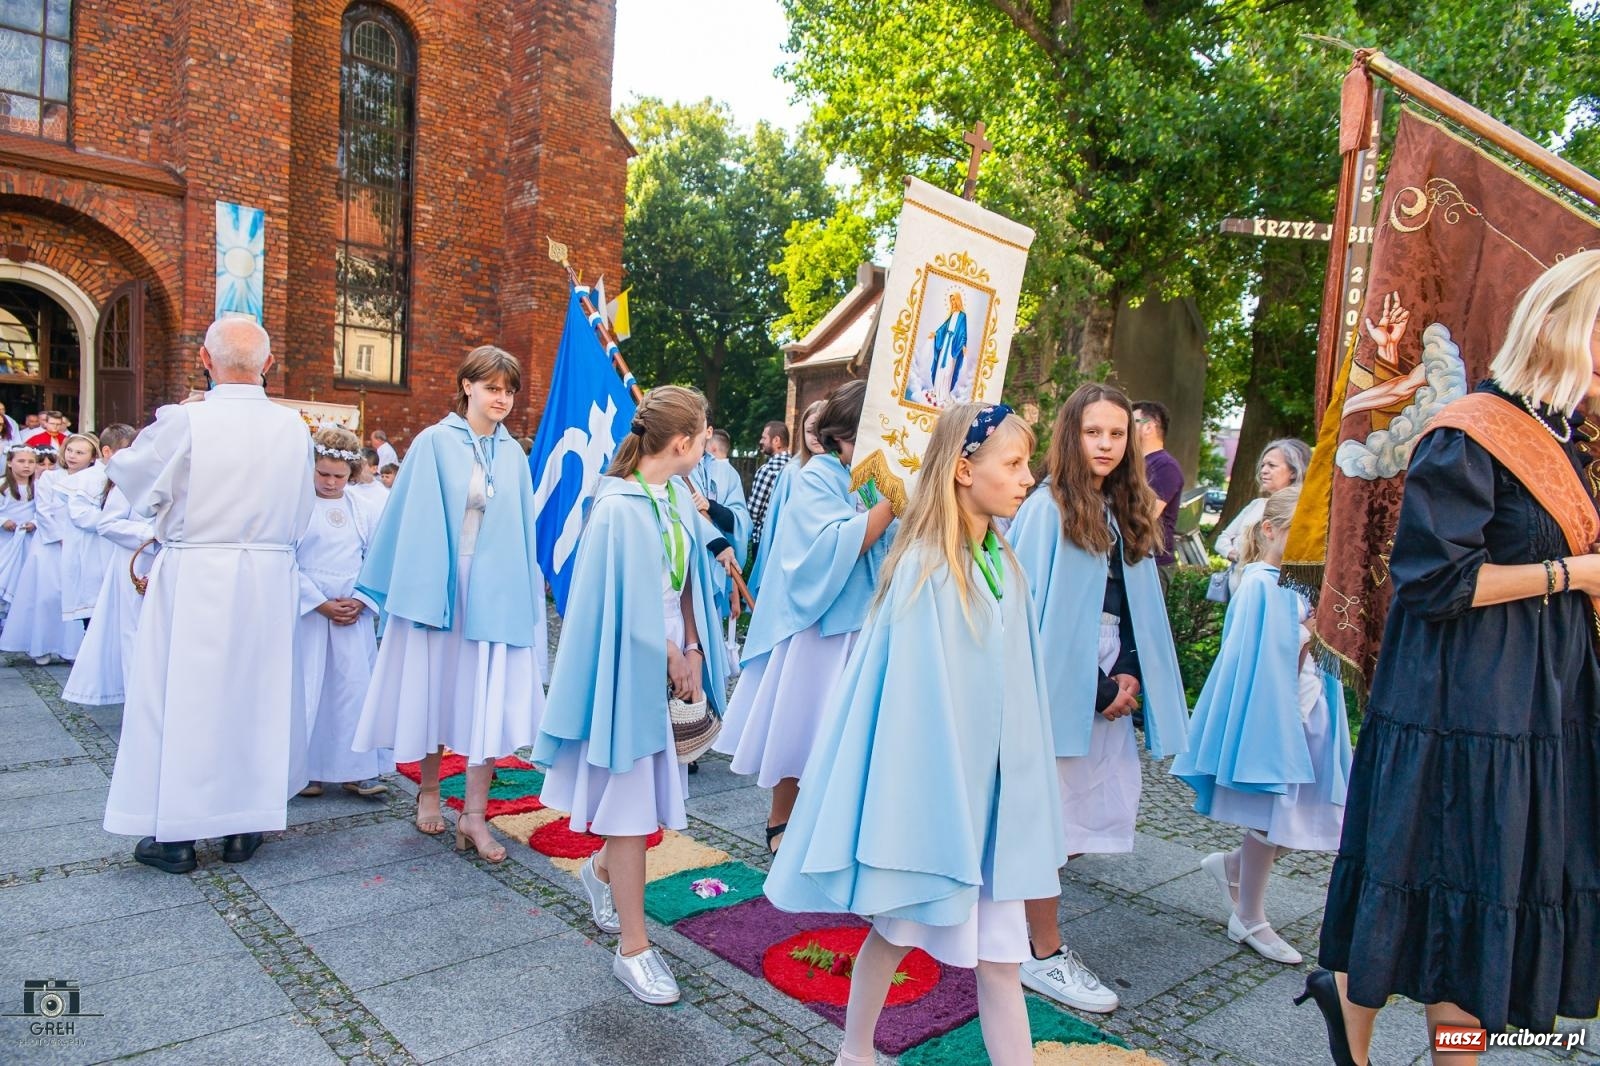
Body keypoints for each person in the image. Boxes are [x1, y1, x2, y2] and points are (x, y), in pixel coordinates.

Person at [1304, 252, 1600, 1066]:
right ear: (1561, 328)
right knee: (1458, 898)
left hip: (1531, 710)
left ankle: (1369, 1014)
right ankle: (1364, 1016)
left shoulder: (1566, 440)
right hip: (1462, 708)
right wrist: (1573, 574)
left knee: (1481, 908)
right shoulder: (1472, 429)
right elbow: (1434, 581)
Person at [766, 403, 1064, 1065]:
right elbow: (903, 708)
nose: (1026, 479)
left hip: (992, 809)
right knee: (897, 932)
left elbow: (1018, 692)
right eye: (1013, 465)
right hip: (936, 810)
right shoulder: (927, 567)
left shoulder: (1004, 565)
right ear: (963, 469)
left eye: (1027, 465)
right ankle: (855, 1051)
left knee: (1000, 960)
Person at [533, 385, 730, 1006]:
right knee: (630, 807)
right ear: (682, 443)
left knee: (644, 796)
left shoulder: (673, 496)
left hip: (672, 656)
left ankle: (599, 876)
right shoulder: (618, 507)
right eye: (703, 436)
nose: (704, 444)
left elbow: (691, 579)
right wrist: (669, 654)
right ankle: (634, 951)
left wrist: (695, 648)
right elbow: (617, 602)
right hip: (629, 666)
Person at [101, 317, 315, 873]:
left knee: (181, 698)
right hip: (268, 573)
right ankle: (244, 825)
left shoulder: (186, 420)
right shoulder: (294, 427)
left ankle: (175, 834)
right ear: (268, 365)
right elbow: (302, 510)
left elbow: (132, 479)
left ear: (204, 358)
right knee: (256, 696)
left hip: (198, 569)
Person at [1007, 382, 1190, 1014]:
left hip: (1115, 673)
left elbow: (1139, 606)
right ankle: (1041, 950)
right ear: (1071, 435)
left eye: (1117, 434)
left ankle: (1012, 913)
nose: (1107, 444)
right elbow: (1031, 617)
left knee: (1096, 813)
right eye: (1094, 432)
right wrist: (1097, 687)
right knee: (1049, 818)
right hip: (1067, 684)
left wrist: (1132, 673)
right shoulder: (1045, 508)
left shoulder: (1126, 507)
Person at [354, 345, 548, 861]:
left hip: (495, 591)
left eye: (509, 390)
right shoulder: (434, 442)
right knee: (437, 690)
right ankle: (431, 792)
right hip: (441, 584)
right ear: (467, 386)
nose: (501, 398)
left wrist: (524, 597)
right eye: (492, 388)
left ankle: (476, 816)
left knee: (483, 699)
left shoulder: (513, 454)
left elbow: (521, 533)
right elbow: (405, 517)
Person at [1170, 485, 1351, 965]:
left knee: (1312, 819)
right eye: (1305, 534)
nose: (1316, 545)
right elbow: (1262, 659)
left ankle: (1234, 868)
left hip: (1311, 714)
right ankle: (1248, 915)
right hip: (1279, 719)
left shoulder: (1300, 584)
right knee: (1275, 820)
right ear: (1271, 530)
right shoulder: (1258, 584)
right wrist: (1313, 631)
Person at [717, 380, 896, 853]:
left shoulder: (883, 477)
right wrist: (890, 506)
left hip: (873, 625)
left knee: (855, 741)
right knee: (803, 727)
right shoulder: (818, 474)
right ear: (844, 435)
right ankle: (782, 820)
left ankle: (840, 830)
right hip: (821, 629)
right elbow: (832, 547)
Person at [296, 428, 388, 800]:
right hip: (311, 613)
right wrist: (319, 602)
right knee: (310, 687)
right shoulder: (297, 506)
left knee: (352, 689)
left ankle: (355, 768)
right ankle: (307, 768)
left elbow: (378, 559)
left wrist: (363, 600)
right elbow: (287, 559)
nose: (331, 483)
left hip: (352, 610)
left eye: (339, 476)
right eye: (323, 474)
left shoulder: (361, 508)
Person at [62, 439, 159, 708]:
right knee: (135, 633)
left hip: (174, 566)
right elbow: (108, 524)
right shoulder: (132, 481)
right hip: (136, 564)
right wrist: (153, 536)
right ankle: (137, 703)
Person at [0, 431, 96, 664]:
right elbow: (43, 510)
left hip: (82, 544)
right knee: (46, 595)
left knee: (74, 594)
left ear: (92, 457)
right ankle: (41, 644)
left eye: (80, 452)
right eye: (70, 450)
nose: (73, 456)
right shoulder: (51, 478)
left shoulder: (95, 478)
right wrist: (60, 537)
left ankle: (71, 648)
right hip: (49, 544)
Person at [61, 426, 136, 624]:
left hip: (117, 549)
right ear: (106, 451)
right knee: (95, 609)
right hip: (93, 551)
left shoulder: (129, 475)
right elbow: (81, 515)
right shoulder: (86, 479)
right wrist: (115, 520)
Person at [748, 401, 824, 596]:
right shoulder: (792, 472)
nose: (816, 436)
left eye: (822, 428)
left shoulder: (844, 470)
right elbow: (778, 526)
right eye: (810, 430)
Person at [1213, 439, 1310, 566]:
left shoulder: (1299, 510)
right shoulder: (1256, 505)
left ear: (1293, 472)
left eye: (1272, 465)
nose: (1263, 470)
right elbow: (1222, 540)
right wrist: (1238, 557)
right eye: (1263, 465)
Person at [1133, 400, 1184, 592]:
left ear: (1149, 426)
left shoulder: (1165, 466)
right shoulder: (1138, 464)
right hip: (1136, 560)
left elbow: (1146, 514)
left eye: (1133, 422)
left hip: (1153, 564)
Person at [0, 443, 38, 606]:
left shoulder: (38, 485)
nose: (26, 466)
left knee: (23, 574)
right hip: (5, 539)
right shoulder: (3, 485)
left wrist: (34, 522)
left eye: (31, 462)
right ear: (9, 462)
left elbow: (44, 509)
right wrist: (3, 521)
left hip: (27, 538)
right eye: (21, 461)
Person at [748, 419, 791, 558]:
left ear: (776, 441)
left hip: (764, 541)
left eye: (764, 437)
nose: (761, 441)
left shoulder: (768, 470)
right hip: (789, 541)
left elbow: (753, 513)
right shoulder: (798, 468)